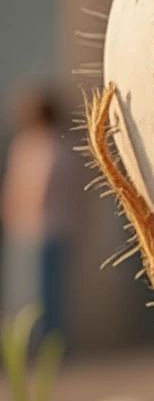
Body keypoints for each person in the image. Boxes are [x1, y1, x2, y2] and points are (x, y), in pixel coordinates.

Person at [0, 84, 80, 342]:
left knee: (36, 296)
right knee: (39, 295)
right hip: (43, 229)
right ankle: (44, 347)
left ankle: (41, 349)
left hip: (37, 230)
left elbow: (34, 192)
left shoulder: (44, 148)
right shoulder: (52, 147)